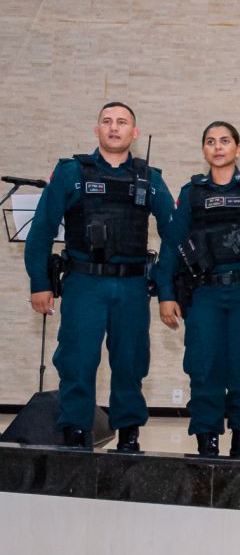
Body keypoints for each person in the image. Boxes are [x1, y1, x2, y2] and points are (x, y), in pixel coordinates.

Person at [25, 102, 174, 452]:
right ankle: (75, 430)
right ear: (97, 130)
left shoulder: (150, 179)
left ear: (134, 133)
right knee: (77, 360)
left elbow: (175, 233)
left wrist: (164, 281)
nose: (114, 127)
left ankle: (129, 432)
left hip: (132, 286)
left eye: (122, 122)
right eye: (107, 121)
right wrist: (40, 283)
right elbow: (41, 230)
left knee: (130, 362)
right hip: (84, 283)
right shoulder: (70, 173)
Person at [156, 121, 240, 458]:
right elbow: (171, 245)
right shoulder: (192, 193)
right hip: (204, 294)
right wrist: (165, 294)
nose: (218, 147)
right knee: (204, 368)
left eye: (225, 141)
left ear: (238, 148)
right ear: (203, 149)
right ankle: (207, 446)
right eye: (211, 141)